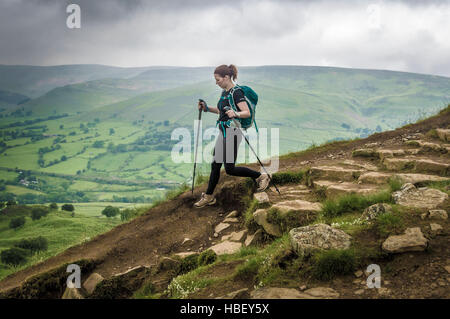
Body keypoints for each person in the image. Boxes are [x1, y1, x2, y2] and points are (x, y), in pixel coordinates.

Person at [194, 64, 270, 208]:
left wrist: (236, 113)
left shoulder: (236, 92)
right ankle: (209, 196)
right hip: (224, 132)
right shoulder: (225, 92)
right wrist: (206, 108)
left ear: (227, 77)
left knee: (230, 169)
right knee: (215, 164)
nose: (216, 83)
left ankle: (262, 176)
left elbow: (246, 112)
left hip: (234, 133)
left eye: (218, 79)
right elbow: (222, 110)